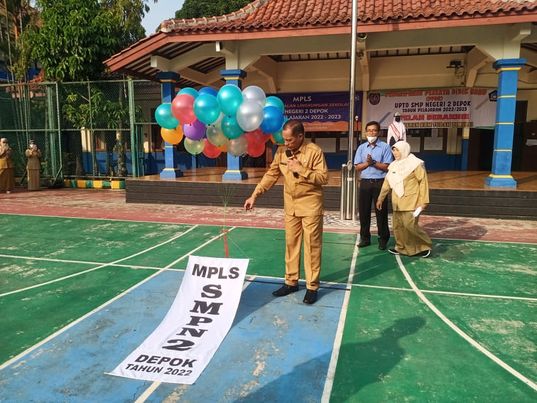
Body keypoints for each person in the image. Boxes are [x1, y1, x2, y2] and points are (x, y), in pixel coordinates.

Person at [244, 119, 328, 304]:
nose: (286, 143)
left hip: (310, 205)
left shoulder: (314, 152)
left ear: (300, 136)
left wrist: (301, 169)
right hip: (291, 206)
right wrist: (254, 195)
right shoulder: (281, 152)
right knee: (291, 244)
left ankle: (312, 286)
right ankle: (291, 282)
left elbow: (323, 178)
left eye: (290, 140)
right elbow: (271, 174)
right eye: (284, 139)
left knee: (312, 246)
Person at [376, 140, 432, 257]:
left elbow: (423, 182)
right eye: (393, 150)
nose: (395, 153)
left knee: (410, 226)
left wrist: (423, 201)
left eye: (397, 150)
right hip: (397, 202)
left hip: (411, 202)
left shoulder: (416, 163)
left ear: (404, 150)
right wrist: (380, 198)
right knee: (398, 227)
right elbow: (387, 183)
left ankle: (424, 246)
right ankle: (401, 247)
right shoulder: (393, 165)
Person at [354, 121, 393, 250]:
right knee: (364, 212)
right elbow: (357, 167)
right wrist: (367, 163)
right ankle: (365, 238)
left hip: (380, 182)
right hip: (365, 183)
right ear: (366, 132)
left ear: (379, 132)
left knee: (381, 212)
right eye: (369, 130)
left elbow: (387, 166)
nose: (371, 133)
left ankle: (383, 239)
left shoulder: (385, 147)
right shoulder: (361, 148)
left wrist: (374, 162)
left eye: (374, 130)